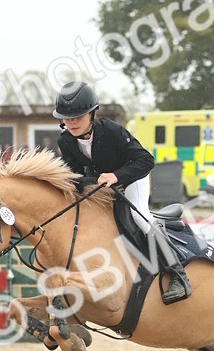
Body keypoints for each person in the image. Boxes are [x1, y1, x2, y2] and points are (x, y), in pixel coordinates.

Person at [53, 81, 192, 304]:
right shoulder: (66, 141)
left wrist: (116, 176)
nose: (72, 122)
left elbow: (146, 160)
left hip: (132, 177)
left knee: (140, 216)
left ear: (91, 114)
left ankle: (178, 273)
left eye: (78, 116)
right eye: (67, 118)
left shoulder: (111, 130)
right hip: (103, 186)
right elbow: (76, 177)